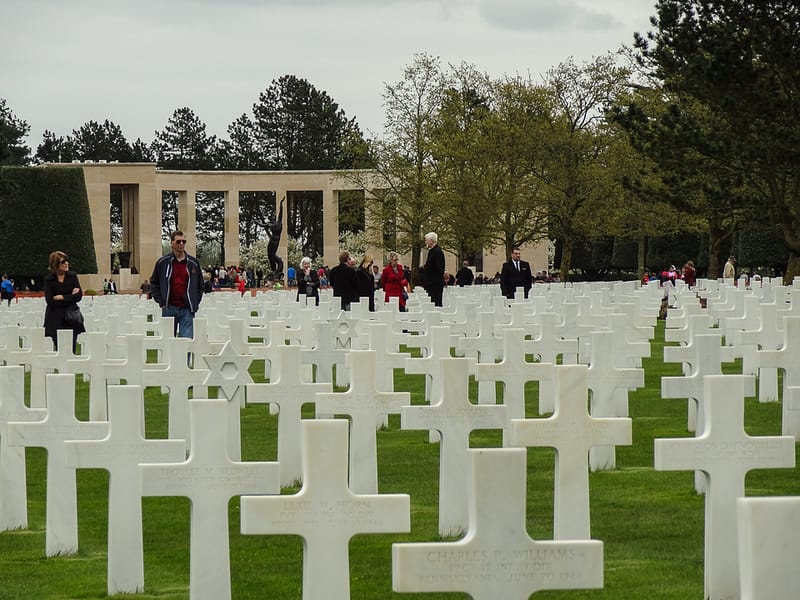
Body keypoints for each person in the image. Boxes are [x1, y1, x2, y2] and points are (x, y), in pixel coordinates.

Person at [149, 230, 204, 339]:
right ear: (172, 243)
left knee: (186, 342)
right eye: (178, 241)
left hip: (187, 309)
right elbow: (154, 282)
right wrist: (161, 301)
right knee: (168, 341)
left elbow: (200, 285)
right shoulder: (162, 263)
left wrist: (195, 301)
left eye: (184, 241)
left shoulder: (193, 263)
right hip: (169, 307)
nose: (181, 244)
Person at [43, 251, 85, 352]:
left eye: (67, 261)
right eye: (63, 261)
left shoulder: (72, 277)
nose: (66, 263)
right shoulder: (49, 280)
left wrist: (62, 297)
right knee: (58, 347)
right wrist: (70, 296)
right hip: (55, 317)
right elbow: (50, 301)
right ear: (55, 264)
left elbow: (78, 296)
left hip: (71, 316)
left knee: (72, 346)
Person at [420, 232, 445, 307]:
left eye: (426, 240)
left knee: (436, 304)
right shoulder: (433, 251)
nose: (425, 242)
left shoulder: (437, 252)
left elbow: (439, 268)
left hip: (435, 284)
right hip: (431, 283)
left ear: (431, 240)